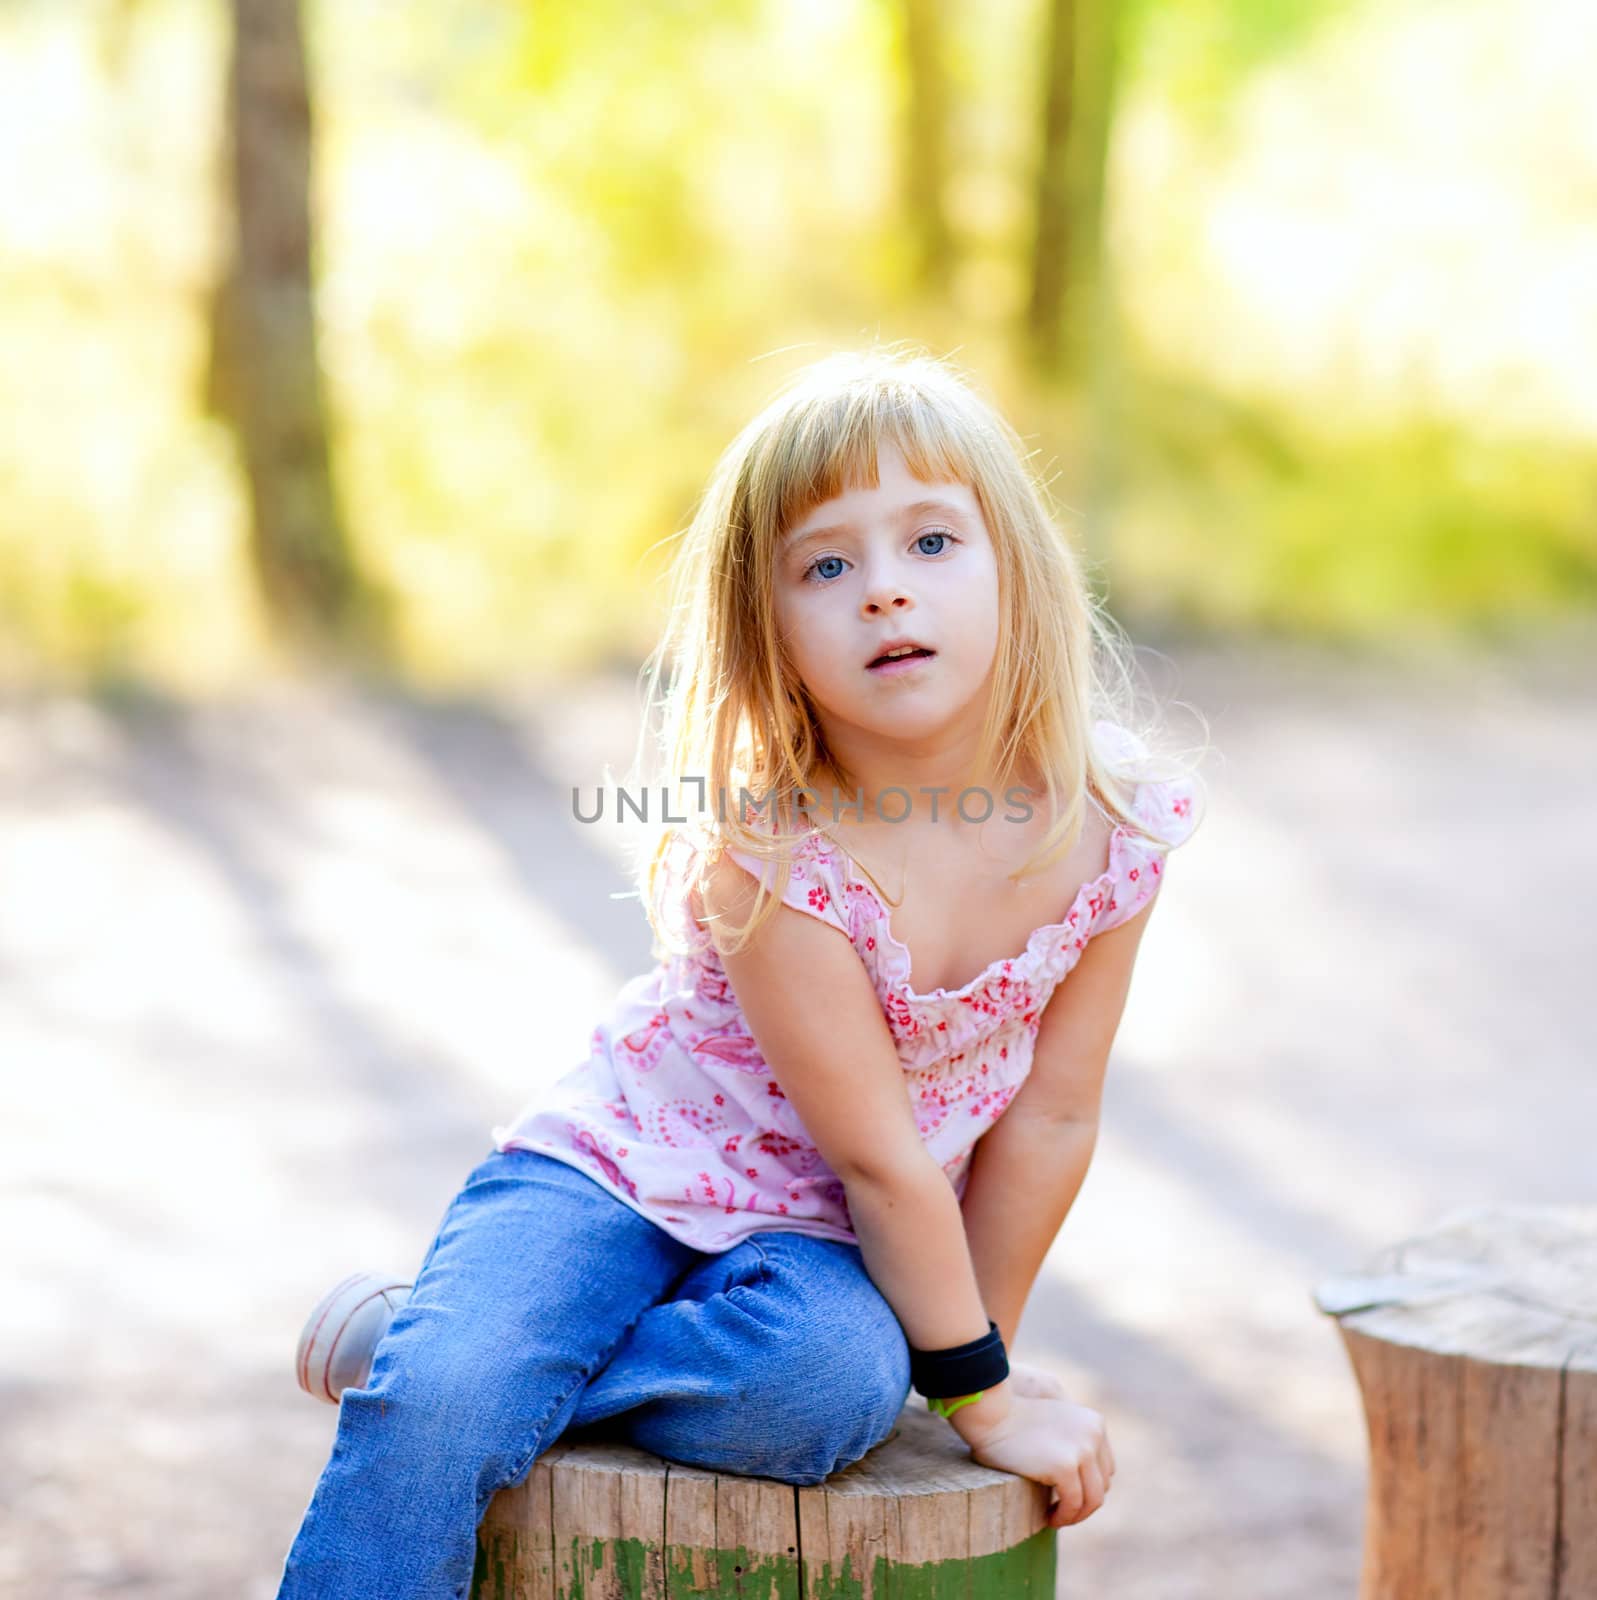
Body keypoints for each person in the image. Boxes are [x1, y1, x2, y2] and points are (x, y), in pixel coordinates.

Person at [275, 345, 1207, 1599]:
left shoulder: (1107, 826)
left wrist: (975, 1366)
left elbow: (1050, 1113)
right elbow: (881, 1153)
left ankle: (446, 1346)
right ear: (769, 633)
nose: (884, 592)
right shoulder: (775, 853)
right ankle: (448, 1362)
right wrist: (981, 1396)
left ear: (1017, 566)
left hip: (817, 1241)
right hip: (616, 1174)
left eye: (931, 542)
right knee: (441, 1411)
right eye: (827, 564)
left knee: (831, 1387)